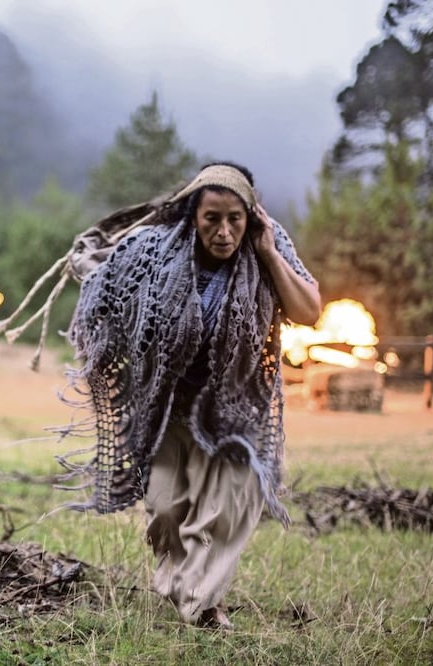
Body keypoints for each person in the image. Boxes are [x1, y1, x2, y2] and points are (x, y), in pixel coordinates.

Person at [64, 162, 321, 628]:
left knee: (224, 516)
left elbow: (308, 310)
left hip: (239, 414)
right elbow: (110, 280)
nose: (224, 232)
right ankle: (187, 589)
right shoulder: (155, 251)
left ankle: (205, 605)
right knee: (165, 511)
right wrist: (88, 264)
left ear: (251, 218)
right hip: (169, 411)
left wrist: (266, 250)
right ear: (193, 216)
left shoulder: (268, 247)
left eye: (234, 220)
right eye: (212, 219)